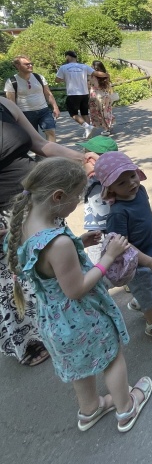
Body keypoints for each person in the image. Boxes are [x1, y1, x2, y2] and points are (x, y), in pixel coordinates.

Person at [5, 157, 152, 433]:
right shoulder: (58, 243)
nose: (78, 204)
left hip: (54, 322)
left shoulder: (23, 223)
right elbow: (76, 289)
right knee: (112, 357)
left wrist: (79, 243)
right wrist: (108, 257)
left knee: (78, 366)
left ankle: (90, 409)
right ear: (58, 196)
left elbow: (47, 265)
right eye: (76, 198)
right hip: (81, 317)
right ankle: (126, 407)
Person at [0, 97, 96, 367]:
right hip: (5, 218)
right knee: (13, 280)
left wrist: (82, 157)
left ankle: (71, 322)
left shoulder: (4, 104)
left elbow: (41, 144)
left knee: (57, 269)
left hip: (40, 203)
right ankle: (28, 340)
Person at [93, 151, 152, 342]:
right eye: (122, 183)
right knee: (147, 291)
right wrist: (149, 262)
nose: (131, 183)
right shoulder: (117, 213)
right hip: (136, 263)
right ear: (110, 189)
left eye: (132, 176)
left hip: (151, 249)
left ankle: (140, 299)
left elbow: (147, 212)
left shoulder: (140, 191)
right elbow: (123, 246)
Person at [80, 135, 119, 262]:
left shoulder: (115, 176)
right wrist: (86, 172)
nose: (85, 160)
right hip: (95, 231)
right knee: (95, 262)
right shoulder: (87, 177)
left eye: (89, 157)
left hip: (115, 226)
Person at [4, 55, 60, 142]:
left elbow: (48, 94)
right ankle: (39, 151)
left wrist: (55, 107)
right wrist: (15, 117)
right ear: (18, 66)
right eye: (27, 64)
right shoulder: (11, 81)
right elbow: (11, 103)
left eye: (31, 63)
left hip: (43, 110)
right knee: (33, 138)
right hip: (25, 113)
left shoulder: (39, 77)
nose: (30, 65)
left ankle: (52, 151)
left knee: (51, 131)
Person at [56, 50, 94, 138]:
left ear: (68, 56)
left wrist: (65, 78)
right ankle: (88, 133)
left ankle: (87, 127)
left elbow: (57, 80)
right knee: (85, 113)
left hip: (72, 94)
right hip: (84, 93)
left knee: (73, 114)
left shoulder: (64, 67)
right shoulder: (84, 66)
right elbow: (93, 73)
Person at [88, 60, 115, 135]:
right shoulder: (106, 75)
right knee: (106, 111)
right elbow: (108, 85)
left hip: (96, 95)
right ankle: (109, 126)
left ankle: (106, 129)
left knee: (99, 112)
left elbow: (89, 85)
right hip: (105, 95)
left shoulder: (92, 75)